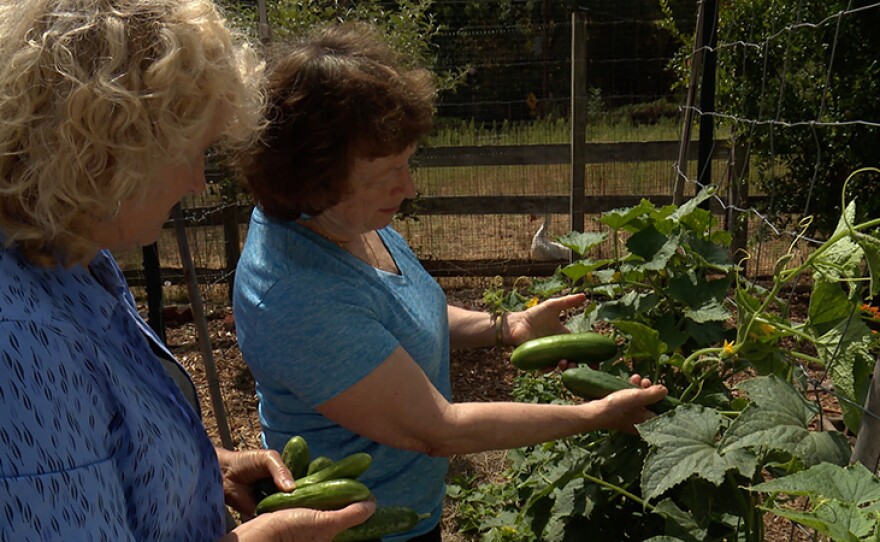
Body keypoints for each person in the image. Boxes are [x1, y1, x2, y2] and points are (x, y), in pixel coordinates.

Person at [233, 22, 668, 542]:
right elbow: (436, 429)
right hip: (360, 529)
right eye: (386, 173)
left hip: (409, 508)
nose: (408, 187)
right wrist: (593, 414)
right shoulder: (294, 295)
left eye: (408, 164)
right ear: (313, 176)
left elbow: (397, 315)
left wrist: (506, 326)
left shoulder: (346, 220)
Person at [0, 1, 376, 541]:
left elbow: (88, 453)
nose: (198, 181)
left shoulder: (74, 256)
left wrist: (206, 465)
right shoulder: (23, 339)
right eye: (193, 151)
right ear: (109, 148)